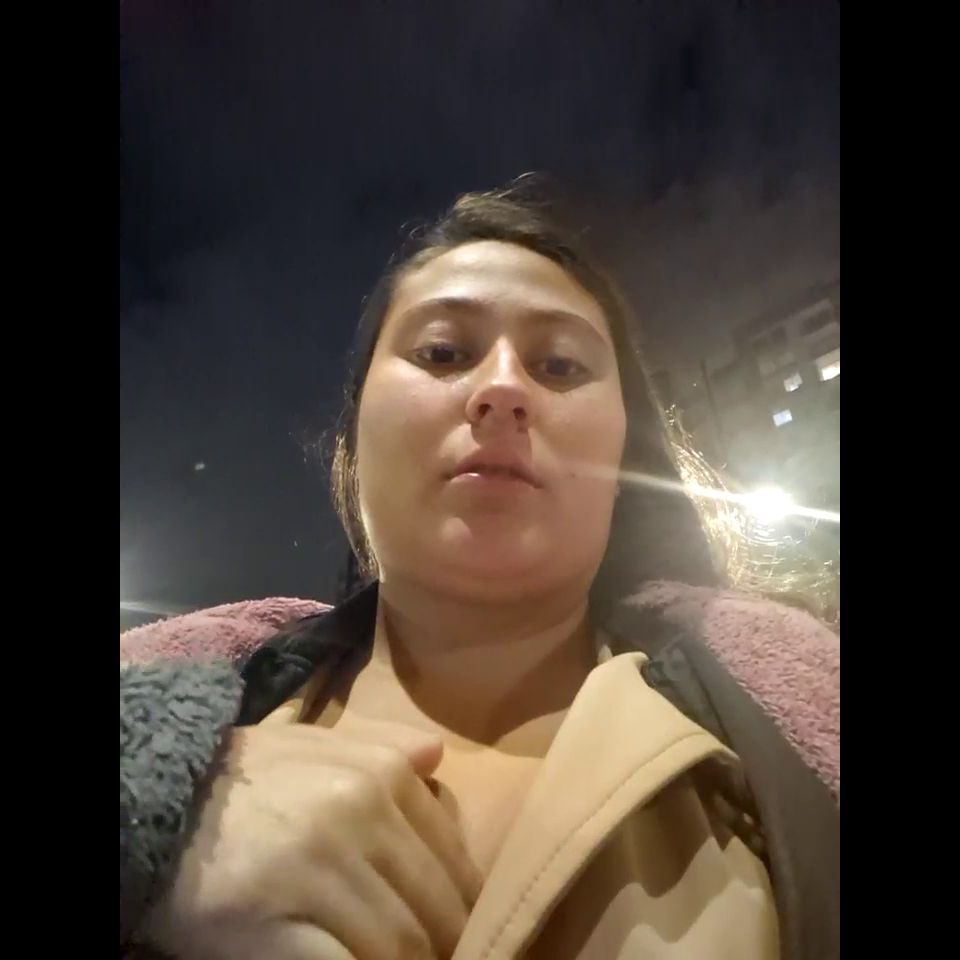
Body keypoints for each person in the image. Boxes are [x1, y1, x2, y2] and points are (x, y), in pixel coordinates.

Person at [120, 183, 839, 960]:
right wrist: (150, 825)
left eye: (558, 364)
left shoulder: (781, 723)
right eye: (442, 353)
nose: (502, 388)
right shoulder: (205, 721)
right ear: (352, 450)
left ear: (623, 459)